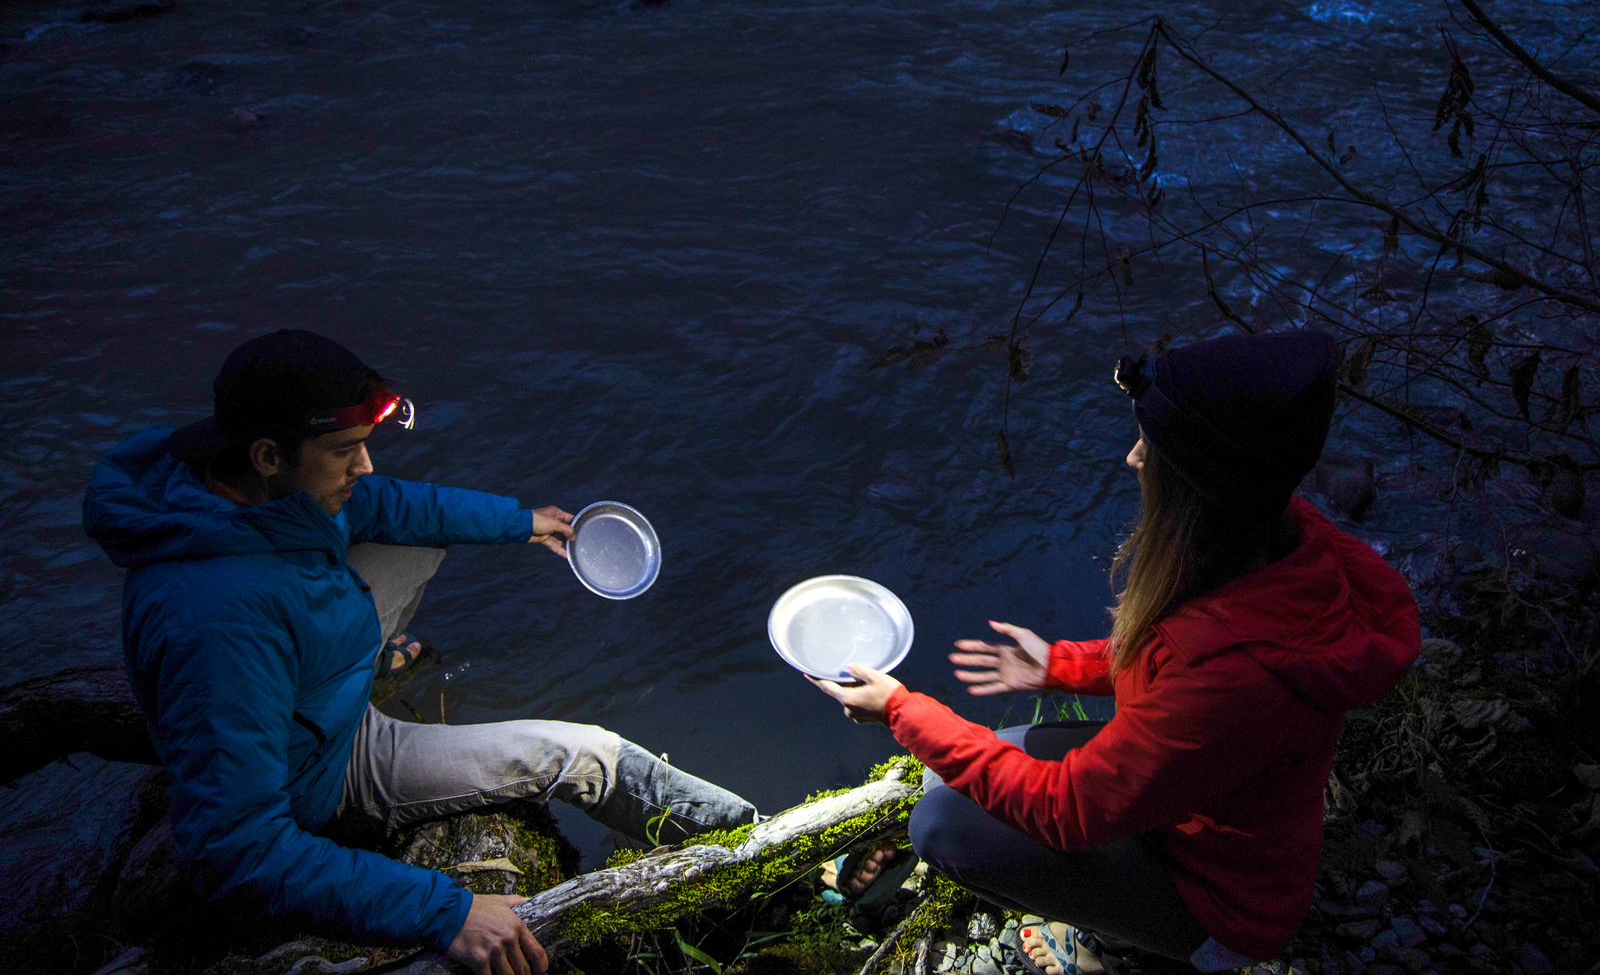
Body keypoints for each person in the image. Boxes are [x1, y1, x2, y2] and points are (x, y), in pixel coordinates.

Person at [84, 329, 758, 975]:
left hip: (312, 691)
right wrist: (447, 911)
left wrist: (522, 523)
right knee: (584, 754)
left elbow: (389, 503)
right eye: (346, 450)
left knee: (410, 534)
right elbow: (235, 852)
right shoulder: (217, 621)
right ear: (267, 455)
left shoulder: (260, 493)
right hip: (322, 775)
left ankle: (766, 838)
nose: (365, 465)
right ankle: (768, 856)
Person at [810, 330, 1420, 972]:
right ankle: (1112, 907)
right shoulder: (1271, 536)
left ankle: (1109, 944)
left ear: (1200, 482)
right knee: (948, 772)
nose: (1132, 458)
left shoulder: (1232, 674)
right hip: (1190, 811)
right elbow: (1176, 665)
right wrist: (1060, 666)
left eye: (1150, 445)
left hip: (1221, 901)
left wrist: (901, 711)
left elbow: (1065, 809)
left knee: (940, 824)